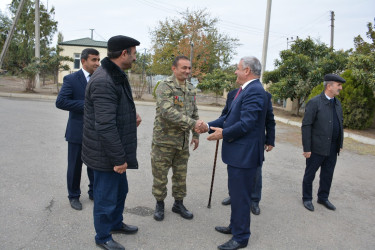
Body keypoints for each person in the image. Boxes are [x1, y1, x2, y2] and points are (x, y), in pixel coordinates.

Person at [197, 56, 268, 250]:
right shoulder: (244, 91)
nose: (235, 72)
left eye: (237, 68)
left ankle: (241, 237)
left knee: (242, 196)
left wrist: (223, 133)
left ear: (247, 71)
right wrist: (209, 126)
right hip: (238, 155)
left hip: (244, 156)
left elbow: (247, 124)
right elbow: (228, 118)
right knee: (236, 195)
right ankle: (235, 226)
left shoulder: (254, 91)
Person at [82, 35, 142, 250]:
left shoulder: (116, 74)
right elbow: (105, 126)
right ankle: (103, 236)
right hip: (106, 154)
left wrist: (130, 115)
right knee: (105, 197)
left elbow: (114, 111)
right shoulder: (104, 80)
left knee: (120, 192)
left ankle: (115, 224)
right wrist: (118, 158)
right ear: (124, 53)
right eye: (134, 53)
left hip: (114, 151)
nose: (135, 58)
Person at [151, 55, 204, 221]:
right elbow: (168, 112)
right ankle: (159, 204)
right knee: (160, 175)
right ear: (174, 69)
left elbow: (194, 110)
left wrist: (195, 134)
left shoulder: (190, 88)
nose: (187, 71)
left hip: (182, 142)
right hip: (164, 142)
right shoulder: (164, 86)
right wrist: (194, 123)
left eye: (189, 68)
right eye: (184, 68)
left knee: (181, 175)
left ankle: (178, 203)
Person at [56, 48, 100, 210]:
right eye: (94, 60)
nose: (97, 63)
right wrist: (86, 105)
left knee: (94, 165)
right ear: (83, 61)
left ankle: (94, 192)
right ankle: (73, 195)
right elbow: (61, 102)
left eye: (98, 60)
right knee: (74, 166)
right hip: (77, 132)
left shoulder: (100, 78)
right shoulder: (71, 79)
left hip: (96, 132)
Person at [221, 90, 275, 217]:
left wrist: (270, 140)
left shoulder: (264, 95)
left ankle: (254, 200)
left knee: (256, 172)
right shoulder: (233, 94)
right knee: (233, 171)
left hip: (253, 144)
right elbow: (225, 115)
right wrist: (217, 128)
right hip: (234, 141)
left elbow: (269, 119)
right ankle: (233, 195)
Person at [301, 73, 345, 212]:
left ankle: (323, 197)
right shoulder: (315, 102)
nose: (341, 88)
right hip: (316, 147)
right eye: (338, 85)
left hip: (332, 148)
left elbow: (340, 124)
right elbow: (306, 125)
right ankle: (307, 198)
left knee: (328, 174)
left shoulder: (337, 103)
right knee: (310, 174)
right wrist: (307, 148)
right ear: (329, 86)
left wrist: (340, 144)